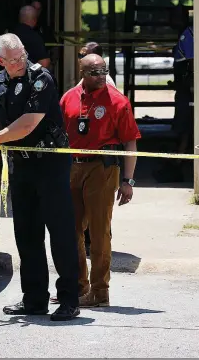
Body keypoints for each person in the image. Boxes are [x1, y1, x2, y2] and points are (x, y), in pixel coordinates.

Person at [0, 33, 80, 321]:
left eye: (22, 56)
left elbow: (27, 125)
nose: (20, 62)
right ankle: (34, 299)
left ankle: (69, 299)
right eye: (14, 59)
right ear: (0, 60)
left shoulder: (40, 78)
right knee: (27, 234)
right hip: (21, 166)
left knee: (60, 233)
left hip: (50, 164)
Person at [60, 54, 141, 307]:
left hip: (102, 169)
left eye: (104, 71)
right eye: (95, 72)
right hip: (72, 167)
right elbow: (59, 135)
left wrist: (128, 180)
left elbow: (130, 141)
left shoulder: (118, 102)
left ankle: (100, 291)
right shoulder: (68, 98)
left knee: (99, 232)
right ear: (82, 73)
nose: (101, 76)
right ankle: (77, 287)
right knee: (70, 231)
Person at [77, 42, 116, 256]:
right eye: (80, 55)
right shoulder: (84, 82)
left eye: (85, 55)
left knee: (100, 212)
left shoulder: (103, 83)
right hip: (82, 159)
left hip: (101, 159)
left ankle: (99, 249)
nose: (80, 58)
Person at [154, 5, 194, 183]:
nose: (171, 21)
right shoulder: (186, 34)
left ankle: (179, 163)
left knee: (185, 127)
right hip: (185, 88)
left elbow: (193, 64)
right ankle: (179, 161)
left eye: (175, 17)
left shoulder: (190, 33)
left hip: (190, 91)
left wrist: (192, 89)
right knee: (183, 128)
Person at [28, 0, 59, 71]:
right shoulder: (18, 27)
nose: (36, 11)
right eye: (34, 8)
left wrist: (52, 64)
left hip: (39, 69)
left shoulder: (44, 28)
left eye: (39, 9)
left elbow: (54, 47)